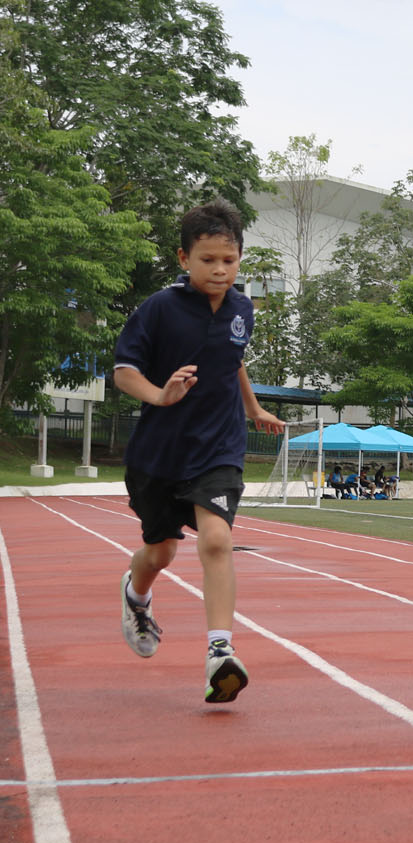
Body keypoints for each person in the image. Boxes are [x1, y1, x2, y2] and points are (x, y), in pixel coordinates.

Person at [113, 201, 284, 703]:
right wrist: (161, 395)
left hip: (219, 446)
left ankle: (220, 652)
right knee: (160, 552)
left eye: (229, 260)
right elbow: (124, 371)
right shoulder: (159, 309)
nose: (219, 270)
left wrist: (253, 409)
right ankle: (136, 594)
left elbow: (232, 361)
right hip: (159, 455)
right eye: (208, 260)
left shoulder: (241, 308)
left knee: (216, 539)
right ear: (184, 258)